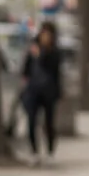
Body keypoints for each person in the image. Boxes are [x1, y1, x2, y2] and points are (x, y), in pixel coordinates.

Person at [21, 21, 62, 166]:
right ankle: (34, 152)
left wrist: (41, 55)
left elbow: (55, 72)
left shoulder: (54, 52)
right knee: (31, 121)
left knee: (49, 122)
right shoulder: (32, 49)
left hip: (48, 92)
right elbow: (25, 70)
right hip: (33, 91)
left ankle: (50, 152)